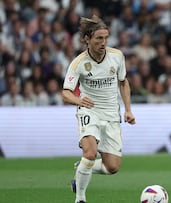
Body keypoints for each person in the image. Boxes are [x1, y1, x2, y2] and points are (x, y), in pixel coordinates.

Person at [62, 15, 136, 203]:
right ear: (87, 39)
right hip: (89, 111)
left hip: (111, 114)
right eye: (98, 38)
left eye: (105, 38)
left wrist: (128, 110)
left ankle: (83, 167)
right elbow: (66, 93)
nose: (103, 42)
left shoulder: (117, 56)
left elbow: (123, 82)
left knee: (112, 167)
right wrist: (79, 101)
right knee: (90, 152)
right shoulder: (78, 63)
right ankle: (80, 199)